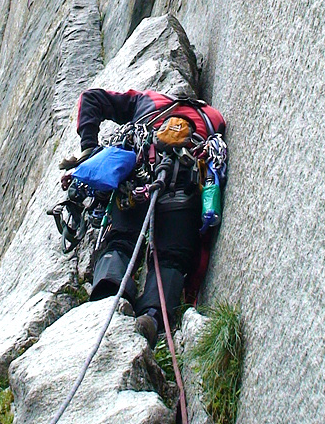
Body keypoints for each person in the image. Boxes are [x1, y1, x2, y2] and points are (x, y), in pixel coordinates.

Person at [74, 87, 227, 347]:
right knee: (170, 258)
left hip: (137, 180)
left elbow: (90, 98)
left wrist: (89, 148)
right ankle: (153, 318)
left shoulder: (147, 100)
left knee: (121, 242)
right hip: (182, 187)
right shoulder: (212, 117)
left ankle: (107, 295)